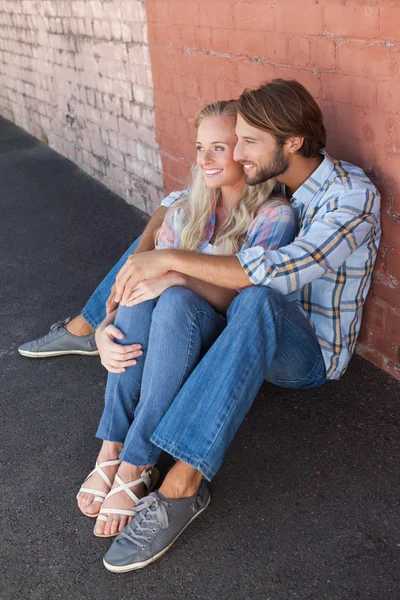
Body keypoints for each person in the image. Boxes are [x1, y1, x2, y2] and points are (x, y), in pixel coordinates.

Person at [98, 79, 380, 573]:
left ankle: (180, 485)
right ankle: (122, 452)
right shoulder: (275, 187)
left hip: (307, 353)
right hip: (240, 336)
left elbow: (276, 271)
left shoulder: (351, 197)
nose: (240, 152)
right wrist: (117, 310)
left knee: (256, 300)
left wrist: (169, 261)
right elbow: (186, 195)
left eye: (249, 141)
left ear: (292, 142)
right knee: (173, 294)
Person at [76, 100, 296, 538]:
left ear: (246, 152)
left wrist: (175, 275)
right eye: (200, 147)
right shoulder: (185, 210)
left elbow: (244, 301)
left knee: (173, 296)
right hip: (167, 340)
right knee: (141, 290)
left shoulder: (274, 215)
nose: (204, 159)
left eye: (220, 147)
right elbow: (133, 286)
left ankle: (139, 460)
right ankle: (111, 447)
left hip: (222, 342)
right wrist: (104, 329)